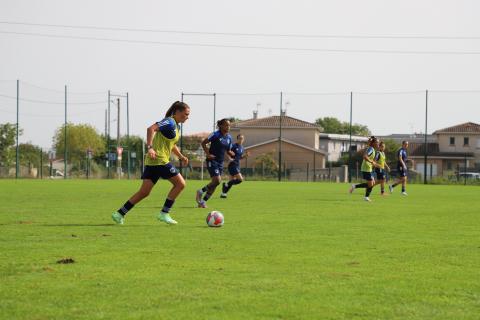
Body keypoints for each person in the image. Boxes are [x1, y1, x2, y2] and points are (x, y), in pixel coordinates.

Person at [111, 101, 190, 225]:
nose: (187, 117)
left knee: (144, 192)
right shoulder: (169, 121)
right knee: (180, 184)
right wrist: (150, 147)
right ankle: (164, 213)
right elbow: (151, 128)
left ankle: (119, 213)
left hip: (154, 161)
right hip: (159, 159)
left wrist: (180, 156)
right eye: (186, 114)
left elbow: (171, 144)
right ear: (177, 112)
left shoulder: (175, 125)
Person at [196, 119, 234, 208]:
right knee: (217, 180)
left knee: (215, 184)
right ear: (221, 126)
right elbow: (203, 143)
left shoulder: (229, 138)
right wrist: (208, 154)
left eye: (229, 125)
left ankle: (202, 202)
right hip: (212, 161)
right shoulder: (215, 134)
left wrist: (230, 153)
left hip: (220, 162)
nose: (228, 127)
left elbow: (228, 150)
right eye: (226, 125)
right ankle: (200, 191)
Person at [349, 136, 380, 201]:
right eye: (377, 142)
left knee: (372, 183)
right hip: (366, 168)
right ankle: (366, 197)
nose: (378, 143)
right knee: (371, 183)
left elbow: (368, 158)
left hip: (369, 168)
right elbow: (365, 156)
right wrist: (372, 162)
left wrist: (374, 163)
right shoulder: (371, 149)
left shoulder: (373, 149)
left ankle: (355, 186)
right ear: (374, 143)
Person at [221, 134, 250, 198]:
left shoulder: (242, 148)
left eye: (242, 139)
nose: (241, 140)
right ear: (237, 139)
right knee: (240, 179)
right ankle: (226, 184)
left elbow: (239, 157)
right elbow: (227, 151)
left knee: (231, 181)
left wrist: (245, 156)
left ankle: (223, 193)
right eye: (240, 138)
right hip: (232, 165)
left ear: (243, 140)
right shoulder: (233, 146)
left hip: (237, 165)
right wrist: (229, 158)